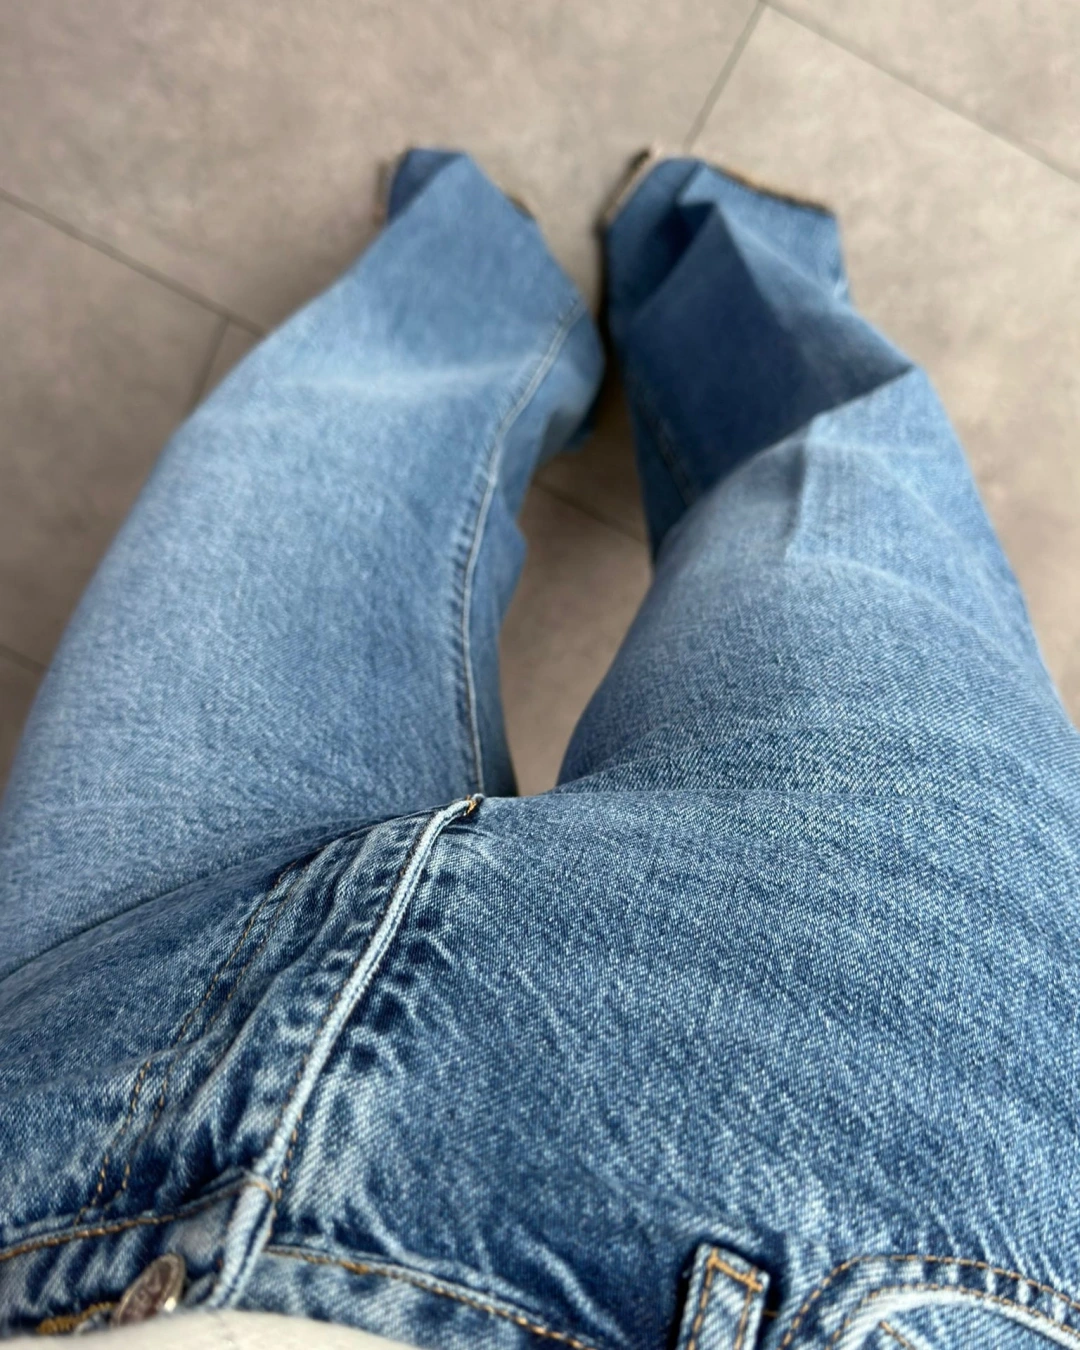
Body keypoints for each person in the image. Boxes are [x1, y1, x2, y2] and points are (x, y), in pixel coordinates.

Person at [0, 148, 1077, 1350]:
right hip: (877, 1155)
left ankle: (477, 264)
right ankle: (696, 247)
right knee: (847, 486)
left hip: (83, 1102)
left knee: (297, 457)